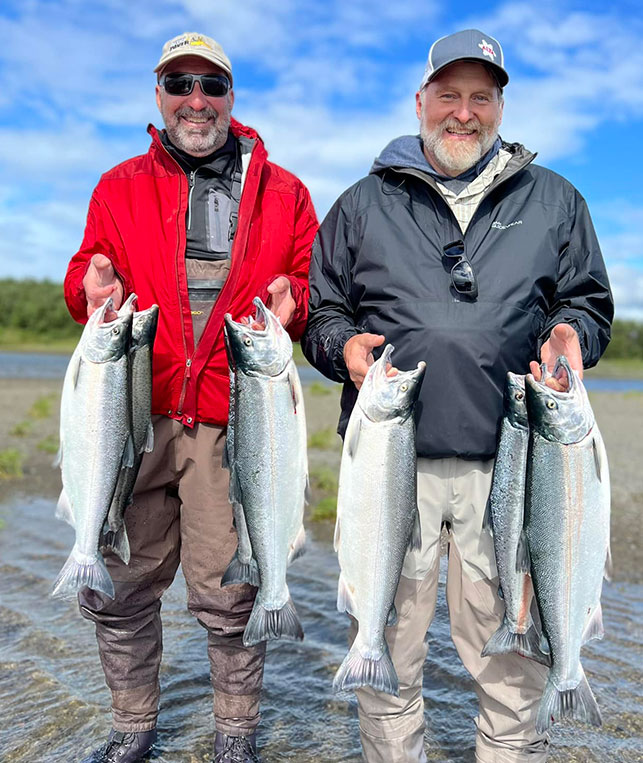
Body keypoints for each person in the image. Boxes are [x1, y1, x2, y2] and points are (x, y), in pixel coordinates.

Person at [301, 28, 613, 763]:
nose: (463, 113)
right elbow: (322, 312)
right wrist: (339, 347)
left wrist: (570, 333)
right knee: (386, 647)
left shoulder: (555, 201)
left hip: (511, 462)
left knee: (509, 658)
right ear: (420, 100)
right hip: (388, 460)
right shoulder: (361, 202)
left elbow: (587, 304)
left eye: (481, 97)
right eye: (449, 95)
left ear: (500, 106)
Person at [64, 32, 317, 763]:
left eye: (211, 85)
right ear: (159, 97)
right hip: (131, 411)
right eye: (180, 84)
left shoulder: (287, 190)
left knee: (230, 591)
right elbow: (88, 272)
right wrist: (89, 284)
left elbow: (308, 282)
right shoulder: (118, 185)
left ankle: (234, 738)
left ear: (232, 98)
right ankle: (133, 726)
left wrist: (292, 299)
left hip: (234, 418)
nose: (195, 100)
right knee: (117, 581)